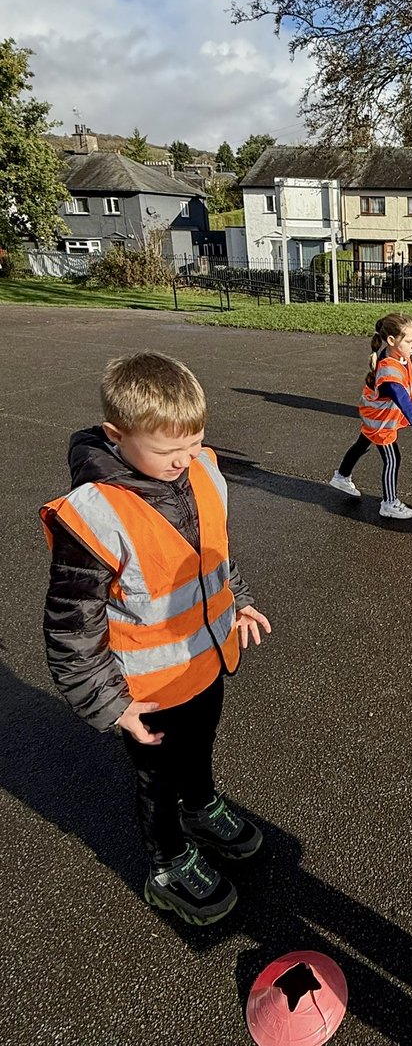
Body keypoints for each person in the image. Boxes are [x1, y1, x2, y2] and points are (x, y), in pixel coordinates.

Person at [41, 351, 271, 926]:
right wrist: (110, 705)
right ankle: (167, 861)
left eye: (194, 445)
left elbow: (213, 555)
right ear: (118, 438)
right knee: (157, 778)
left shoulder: (202, 471)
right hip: (146, 690)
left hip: (207, 662)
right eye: (170, 452)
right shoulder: (96, 514)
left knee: (199, 746)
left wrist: (238, 600)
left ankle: (201, 806)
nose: (185, 460)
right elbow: (72, 625)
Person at [329, 312, 412, 519]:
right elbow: (405, 403)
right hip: (381, 422)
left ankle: (342, 476)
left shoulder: (396, 355)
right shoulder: (390, 372)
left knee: (362, 443)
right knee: (392, 459)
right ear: (391, 340)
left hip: (375, 415)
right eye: (409, 341)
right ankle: (389, 503)